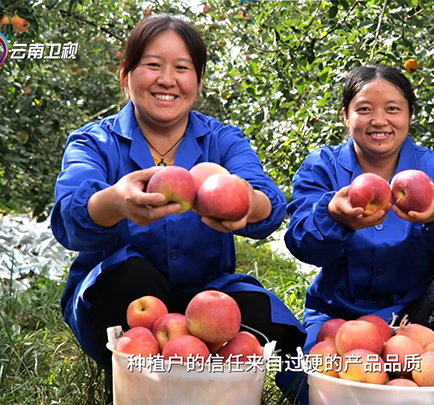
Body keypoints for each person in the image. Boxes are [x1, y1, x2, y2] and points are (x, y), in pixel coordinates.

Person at [49, 14, 306, 403]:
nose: (167, 80)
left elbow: (268, 203)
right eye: (153, 65)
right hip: (124, 301)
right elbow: (71, 213)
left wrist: (242, 201)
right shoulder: (94, 142)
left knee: (265, 317)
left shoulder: (221, 141)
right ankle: (143, 384)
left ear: (198, 82)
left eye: (182, 68)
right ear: (126, 74)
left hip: (206, 297)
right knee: (128, 275)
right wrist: (116, 201)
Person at [284, 63, 434, 405]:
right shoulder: (322, 168)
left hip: (419, 317)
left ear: (410, 114)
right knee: (307, 387)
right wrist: (332, 216)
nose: (379, 120)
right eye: (364, 109)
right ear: (345, 116)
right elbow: (302, 243)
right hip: (340, 318)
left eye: (392, 109)